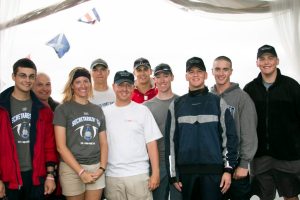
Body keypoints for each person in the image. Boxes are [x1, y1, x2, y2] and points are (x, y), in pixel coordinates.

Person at [165, 57, 238, 200]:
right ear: (186, 76)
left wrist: (228, 170)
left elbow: (230, 138)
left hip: (214, 175)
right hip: (187, 175)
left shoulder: (218, 103)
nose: (195, 75)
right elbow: (171, 144)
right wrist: (173, 175)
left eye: (199, 71)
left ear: (205, 75)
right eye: (191, 72)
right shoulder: (176, 105)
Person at [244, 44, 300, 200]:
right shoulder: (250, 89)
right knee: (265, 197)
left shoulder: (292, 86)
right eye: (262, 59)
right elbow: (245, 124)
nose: (266, 62)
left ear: (277, 61)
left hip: (288, 156)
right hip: (260, 157)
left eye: (270, 58)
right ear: (257, 63)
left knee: (291, 197)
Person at [0, 58, 58, 200]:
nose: (27, 80)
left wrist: (50, 175)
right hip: (8, 179)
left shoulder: (44, 111)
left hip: (36, 178)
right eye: (22, 75)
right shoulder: (1, 107)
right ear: (13, 76)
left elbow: (49, 146)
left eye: (31, 76)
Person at [103, 70, 162, 200]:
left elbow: (151, 143)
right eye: (120, 85)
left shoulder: (143, 111)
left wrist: (155, 173)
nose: (124, 89)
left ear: (133, 87)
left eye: (128, 85)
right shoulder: (104, 113)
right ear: (113, 87)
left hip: (139, 175)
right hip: (112, 177)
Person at [53, 67, 108, 200]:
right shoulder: (62, 109)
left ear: (90, 84)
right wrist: (80, 171)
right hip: (72, 168)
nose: (83, 85)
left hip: (95, 168)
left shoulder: (97, 110)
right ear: (72, 85)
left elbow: (103, 143)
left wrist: (102, 168)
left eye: (86, 81)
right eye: (78, 82)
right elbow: (60, 146)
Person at [211, 56, 258, 200]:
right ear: (212, 71)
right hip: (213, 164)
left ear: (231, 71)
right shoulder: (208, 97)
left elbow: (249, 133)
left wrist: (244, 164)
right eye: (217, 69)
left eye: (225, 69)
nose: (221, 73)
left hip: (237, 165)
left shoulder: (242, 98)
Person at [144, 63, 182, 200]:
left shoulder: (182, 103)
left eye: (166, 76)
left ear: (172, 77)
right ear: (154, 80)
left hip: (179, 164)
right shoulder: (146, 107)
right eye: (158, 77)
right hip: (156, 165)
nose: (162, 80)